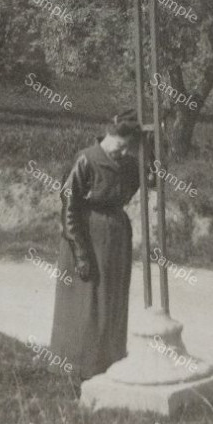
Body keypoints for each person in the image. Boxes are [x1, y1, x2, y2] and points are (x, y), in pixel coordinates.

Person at [49, 109, 145, 383]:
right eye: (121, 146)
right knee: (86, 303)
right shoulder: (86, 159)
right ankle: (77, 365)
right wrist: (80, 252)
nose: (124, 153)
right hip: (87, 236)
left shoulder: (126, 163)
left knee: (111, 299)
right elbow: (69, 206)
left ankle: (108, 361)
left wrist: (150, 150)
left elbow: (146, 180)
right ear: (110, 136)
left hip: (115, 237)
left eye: (129, 149)